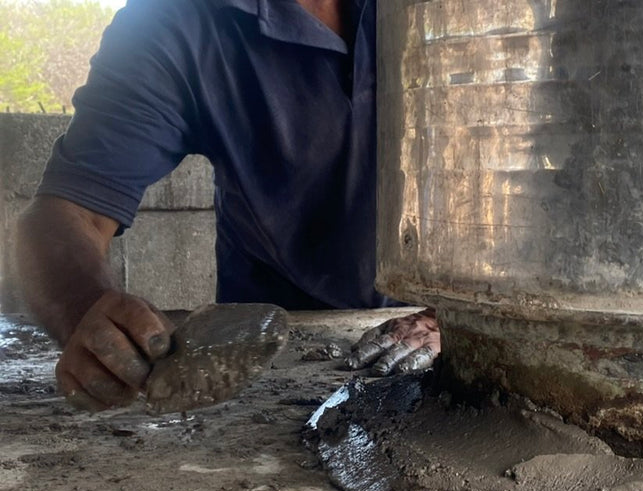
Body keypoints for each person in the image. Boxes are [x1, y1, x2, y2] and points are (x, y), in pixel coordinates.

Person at [16, 0, 440, 412]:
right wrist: (82, 307)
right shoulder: (172, 21)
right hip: (271, 362)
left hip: (456, 332)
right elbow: (68, 213)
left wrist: (470, 325)